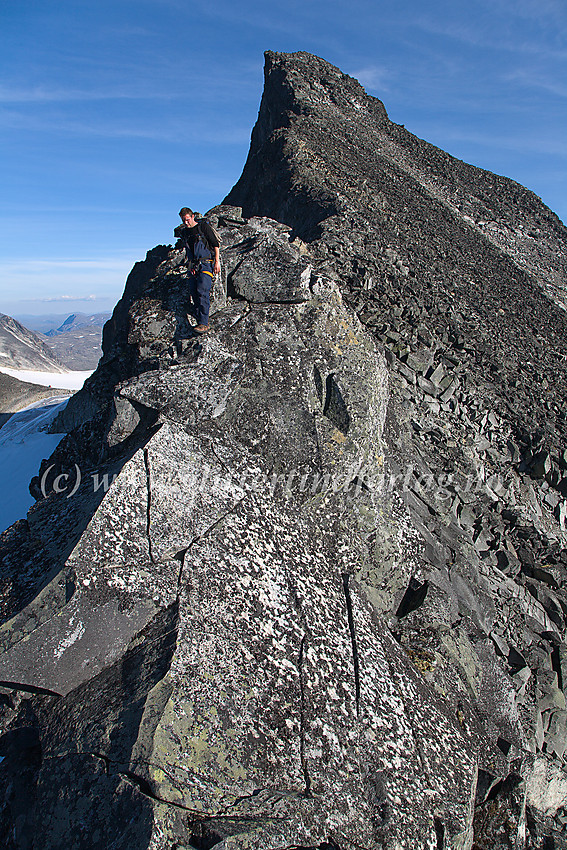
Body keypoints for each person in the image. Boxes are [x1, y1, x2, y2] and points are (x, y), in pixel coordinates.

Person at [176, 207, 221, 334]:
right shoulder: (184, 233)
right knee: (193, 292)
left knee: (202, 291)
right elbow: (188, 251)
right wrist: (190, 266)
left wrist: (216, 262)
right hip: (193, 266)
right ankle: (199, 318)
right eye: (183, 220)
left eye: (187, 219)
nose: (186, 222)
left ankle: (204, 323)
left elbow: (215, 244)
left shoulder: (203, 227)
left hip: (206, 263)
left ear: (192, 217)